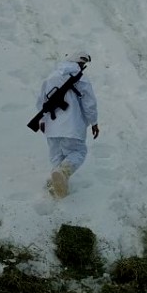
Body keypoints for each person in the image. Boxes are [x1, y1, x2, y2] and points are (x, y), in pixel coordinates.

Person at [37, 52, 100, 198]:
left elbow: (41, 102)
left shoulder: (51, 77)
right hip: (72, 126)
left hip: (52, 127)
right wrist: (94, 122)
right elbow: (89, 103)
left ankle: (56, 187)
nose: (83, 67)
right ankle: (62, 174)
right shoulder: (82, 79)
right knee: (78, 152)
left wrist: (42, 120)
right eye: (82, 64)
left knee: (57, 158)